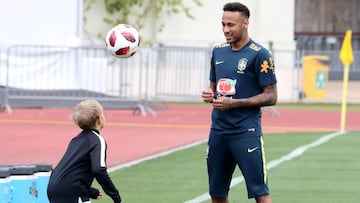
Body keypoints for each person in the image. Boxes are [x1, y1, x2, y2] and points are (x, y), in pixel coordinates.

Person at [201, 2, 277, 203]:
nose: (226, 30)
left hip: (246, 132)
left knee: (260, 193)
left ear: (245, 23)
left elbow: (271, 96)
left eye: (231, 25)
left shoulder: (260, 54)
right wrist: (210, 96)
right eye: (223, 24)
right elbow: (215, 89)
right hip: (218, 132)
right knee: (216, 193)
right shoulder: (218, 51)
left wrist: (233, 104)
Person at [47, 100, 122, 203]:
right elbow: (99, 170)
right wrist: (115, 195)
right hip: (72, 191)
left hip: (54, 187)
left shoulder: (76, 140)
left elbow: (72, 172)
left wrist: (90, 192)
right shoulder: (97, 140)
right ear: (99, 119)